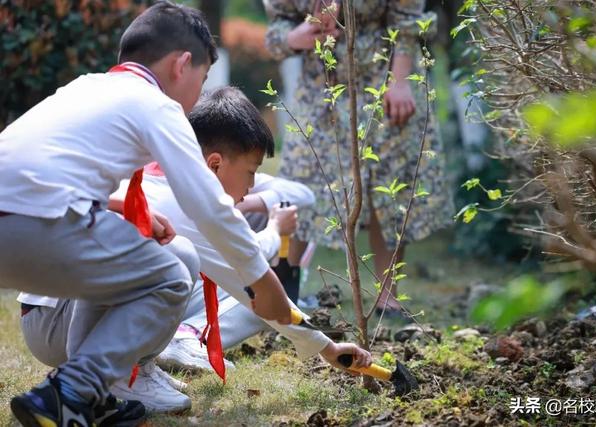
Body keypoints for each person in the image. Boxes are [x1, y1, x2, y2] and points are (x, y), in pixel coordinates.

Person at [0, 2, 292, 426]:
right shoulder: (155, 103)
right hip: (39, 224)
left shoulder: (85, 86)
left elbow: (39, 168)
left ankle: (89, 401)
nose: (198, 95)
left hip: (17, 222)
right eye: (203, 79)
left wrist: (116, 205)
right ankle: (70, 390)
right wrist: (263, 280)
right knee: (170, 273)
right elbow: (207, 203)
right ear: (182, 64)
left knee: (129, 262)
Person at [18, 87, 373, 414]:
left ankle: (139, 366)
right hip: (56, 323)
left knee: (178, 264)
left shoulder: (163, 172)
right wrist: (327, 349)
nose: (250, 188)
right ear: (214, 164)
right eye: (250, 172)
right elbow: (254, 286)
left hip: (50, 313)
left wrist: (325, 347)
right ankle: (123, 378)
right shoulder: (188, 202)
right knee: (180, 257)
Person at [264, 0, 453, 315]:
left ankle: (387, 295)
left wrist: (401, 82)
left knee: (388, 182)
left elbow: (407, 22)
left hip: (384, 76)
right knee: (304, 178)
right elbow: (277, 28)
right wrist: (295, 36)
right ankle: (284, 289)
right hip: (322, 83)